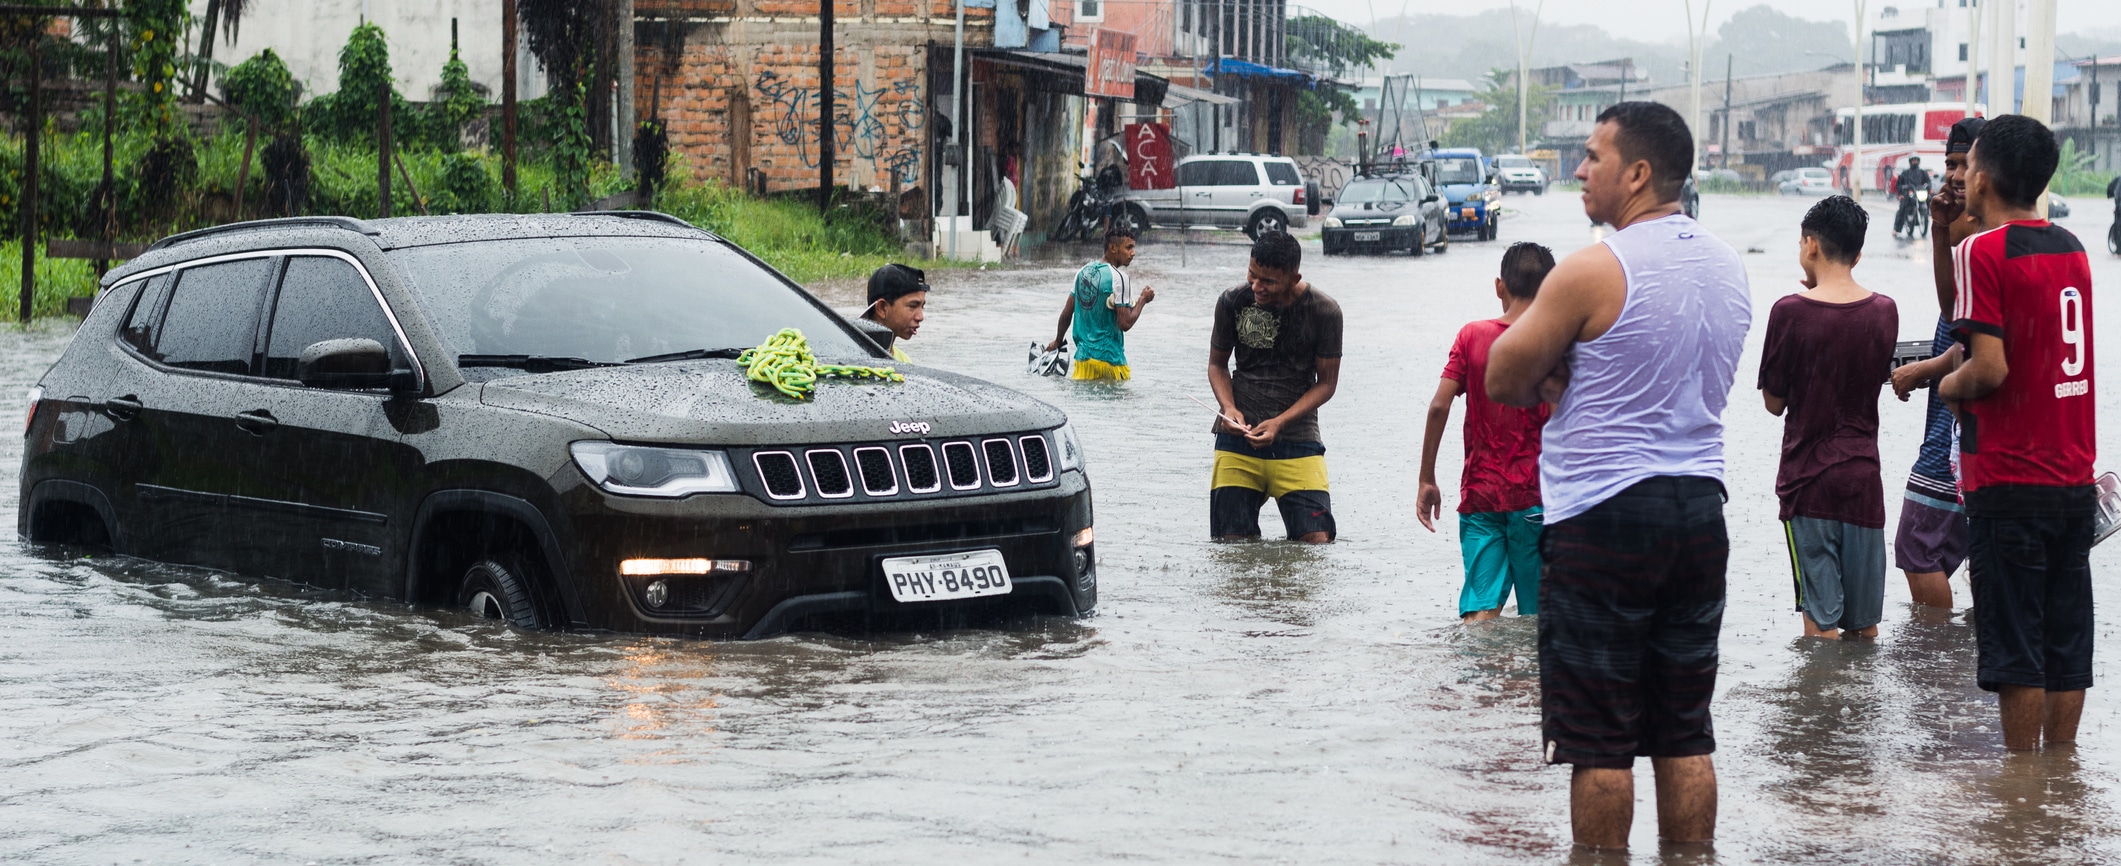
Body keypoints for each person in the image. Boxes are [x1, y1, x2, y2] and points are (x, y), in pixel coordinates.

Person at [1486, 102, 1750, 850]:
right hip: (1700, 509)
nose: (1577, 169)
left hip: (1602, 517)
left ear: (1635, 173)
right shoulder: (1728, 267)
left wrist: (1549, 351)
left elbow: (1503, 374)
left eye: (1591, 155)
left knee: (1598, 742)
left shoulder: (1596, 266)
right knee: (1684, 734)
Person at [1935, 114, 2097, 752]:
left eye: (1967, 162)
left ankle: (2022, 789)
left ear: (1983, 177)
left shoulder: (1982, 250)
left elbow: (1990, 367)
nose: (1963, 174)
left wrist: (1946, 388)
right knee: (2066, 642)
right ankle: (2059, 780)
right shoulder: (2072, 247)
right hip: (2073, 477)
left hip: (2007, 478)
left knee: (2017, 649)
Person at [1759, 196, 1898, 640]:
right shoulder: (1884, 310)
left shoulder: (1790, 312)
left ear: (1811, 245)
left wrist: (1807, 298)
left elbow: (1774, 402)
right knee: (1864, 626)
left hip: (1808, 484)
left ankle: (1822, 705)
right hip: (1863, 480)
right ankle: (1861, 709)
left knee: (1821, 626)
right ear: (1858, 254)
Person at [1417, 242, 1557, 622]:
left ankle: (1478, 682)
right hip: (1538, 499)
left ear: (1500, 286)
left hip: (1481, 496)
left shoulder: (1471, 337)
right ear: (1551, 288)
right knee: (1539, 619)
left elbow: (1438, 407)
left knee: (1480, 615)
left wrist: (1427, 478)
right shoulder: (1558, 343)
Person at [1888, 116, 1988, 610]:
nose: (1951, 174)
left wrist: (1925, 371)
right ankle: (1966, 669)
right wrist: (1937, 229)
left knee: (1917, 548)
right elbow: (1954, 314)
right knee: (1977, 556)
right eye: (1947, 163)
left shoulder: (1986, 236)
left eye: (1961, 163)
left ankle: (1937, 669)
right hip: (1957, 420)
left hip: (1959, 425)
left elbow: (1977, 345)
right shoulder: (1961, 227)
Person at [1207, 230, 1343, 543]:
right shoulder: (1232, 301)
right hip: (1237, 440)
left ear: (1294, 277)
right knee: (1232, 548)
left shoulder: (1324, 312)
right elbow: (1217, 366)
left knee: (1316, 544)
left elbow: (1327, 384)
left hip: (1298, 440)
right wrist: (1229, 408)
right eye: (1252, 276)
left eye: (1268, 281)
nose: (1257, 287)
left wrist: (1280, 422)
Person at [1047, 228, 1155, 381]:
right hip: (1110, 362)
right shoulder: (1120, 278)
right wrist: (1143, 299)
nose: (1133, 253)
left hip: (1083, 362)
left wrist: (1058, 341)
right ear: (1112, 248)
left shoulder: (1082, 272)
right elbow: (1125, 323)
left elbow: (1067, 313)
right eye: (1128, 247)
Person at [861, 263, 927, 362]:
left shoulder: (905, 361)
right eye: (913, 306)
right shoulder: (853, 356)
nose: (920, 317)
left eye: (922, 306)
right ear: (882, 308)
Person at [1894, 156, 1933, 237]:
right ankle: (1896, 229)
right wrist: (1904, 189)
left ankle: (1927, 218)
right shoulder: (1905, 173)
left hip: (1920, 194)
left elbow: (1928, 182)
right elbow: (1899, 184)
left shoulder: (1922, 172)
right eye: (1913, 160)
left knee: (1930, 200)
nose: (1915, 161)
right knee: (1903, 207)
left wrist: (1928, 187)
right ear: (1910, 161)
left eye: (1916, 160)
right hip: (1909, 195)